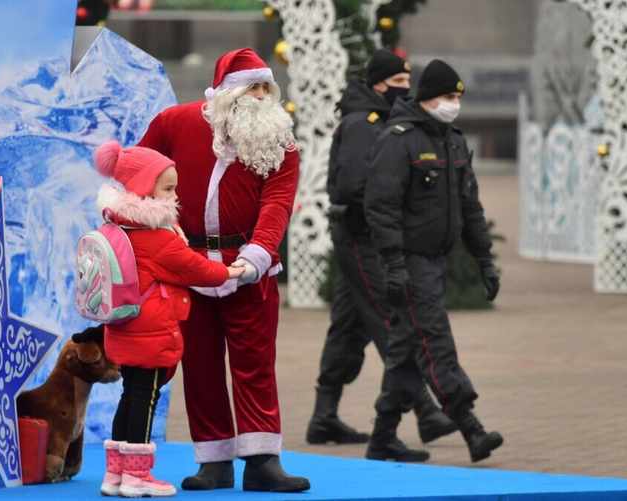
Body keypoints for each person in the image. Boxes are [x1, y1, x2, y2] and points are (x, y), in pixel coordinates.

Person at [138, 48, 310, 492]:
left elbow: (278, 201)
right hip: (189, 264)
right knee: (200, 363)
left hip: (250, 267)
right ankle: (213, 460)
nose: (259, 96)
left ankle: (262, 459)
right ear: (226, 92)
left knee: (255, 363)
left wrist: (256, 255)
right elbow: (141, 170)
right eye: (251, 86)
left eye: (265, 88)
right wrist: (165, 229)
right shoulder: (175, 123)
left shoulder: (279, 141)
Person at [307, 49, 457, 461]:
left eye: (408, 81)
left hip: (363, 235)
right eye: (397, 82)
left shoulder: (383, 118)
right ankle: (426, 409)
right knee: (391, 319)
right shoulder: (364, 123)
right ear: (378, 84)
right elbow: (359, 186)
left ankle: (324, 416)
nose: (405, 88)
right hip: (362, 235)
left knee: (349, 324)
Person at [363, 59, 504, 463]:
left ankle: (382, 436)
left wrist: (485, 260)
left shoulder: (453, 141)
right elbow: (381, 206)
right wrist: (393, 264)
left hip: (435, 260)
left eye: (458, 97)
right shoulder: (399, 139)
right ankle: (471, 427)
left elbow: (470, 207)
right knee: (434, 341)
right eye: (446, 97)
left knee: (407, 347)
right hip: (409, 260)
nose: (453, 104)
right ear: (425, 98)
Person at [93, 141, 245, 497]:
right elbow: (193, 267)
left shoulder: (117, 225)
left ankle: (114, 475)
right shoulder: (156, 236)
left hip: (123, 325)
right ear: (144, 188)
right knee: (146, 398)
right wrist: (230, 270)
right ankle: (137, 477)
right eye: (168, 188)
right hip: (150, 330)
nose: (175, 195)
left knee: (130, 395)